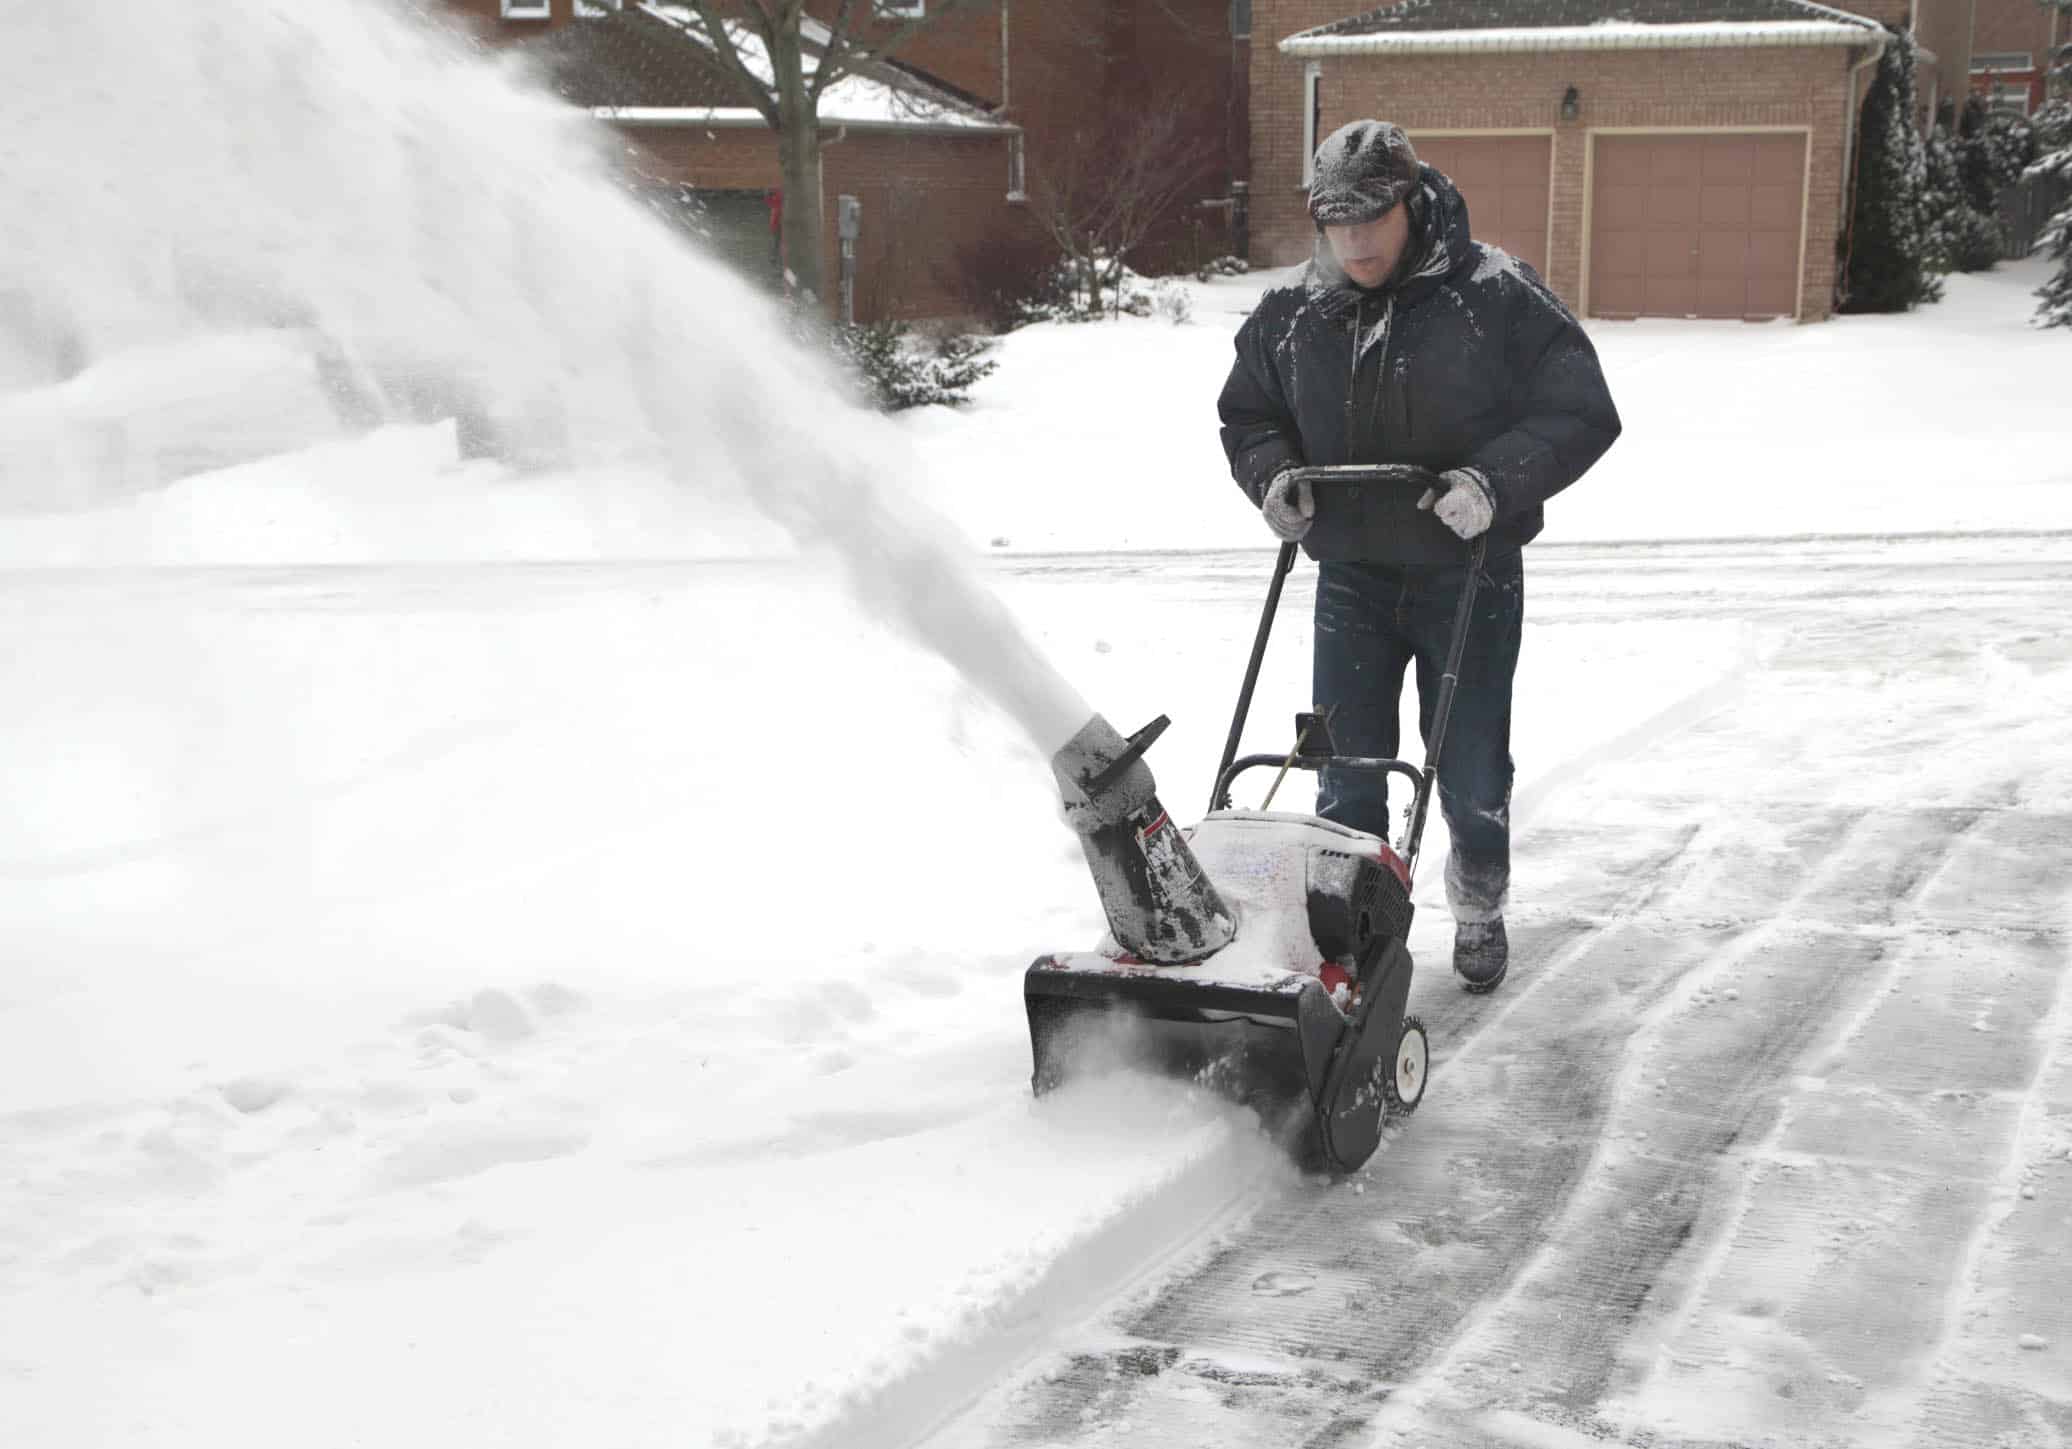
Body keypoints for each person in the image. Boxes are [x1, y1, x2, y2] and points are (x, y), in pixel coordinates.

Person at [1217, 119, 1621, 994]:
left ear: (1413, 203)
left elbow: (1581, 409)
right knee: (1346, 770)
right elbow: (1248, 415)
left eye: (1372, 219)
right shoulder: (1294, 313)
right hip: (1351, 577)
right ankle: (1352, 936)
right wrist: (1274, 476)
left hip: (1467, 572)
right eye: (1337, 223)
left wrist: (1492, 482)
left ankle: (1477, 900)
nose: (1355, 241)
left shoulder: (1495, 294)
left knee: (1470, 764)